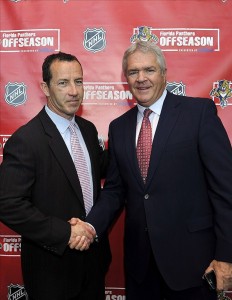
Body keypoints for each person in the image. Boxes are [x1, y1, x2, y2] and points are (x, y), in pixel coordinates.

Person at [76, 41, 232, 299]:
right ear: (125, 78)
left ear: (163, 73)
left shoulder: (198, 114)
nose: (141, 78)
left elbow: (226, 188)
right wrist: (90, 226)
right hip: (141, 268)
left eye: (149, 70)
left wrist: (226, 256)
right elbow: (115, 190)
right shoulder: (119, 127)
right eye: (133, 72)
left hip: (194, 265)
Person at [0, 52, 111, 300]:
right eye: (63, 83)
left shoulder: (88, 129)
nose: (73, 91)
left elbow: (102, 170)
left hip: (94, 265)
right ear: (45, 88)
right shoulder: (26, 140)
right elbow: (7, 204)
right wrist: (65, 233)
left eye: (78, 81)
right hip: (52, 272)